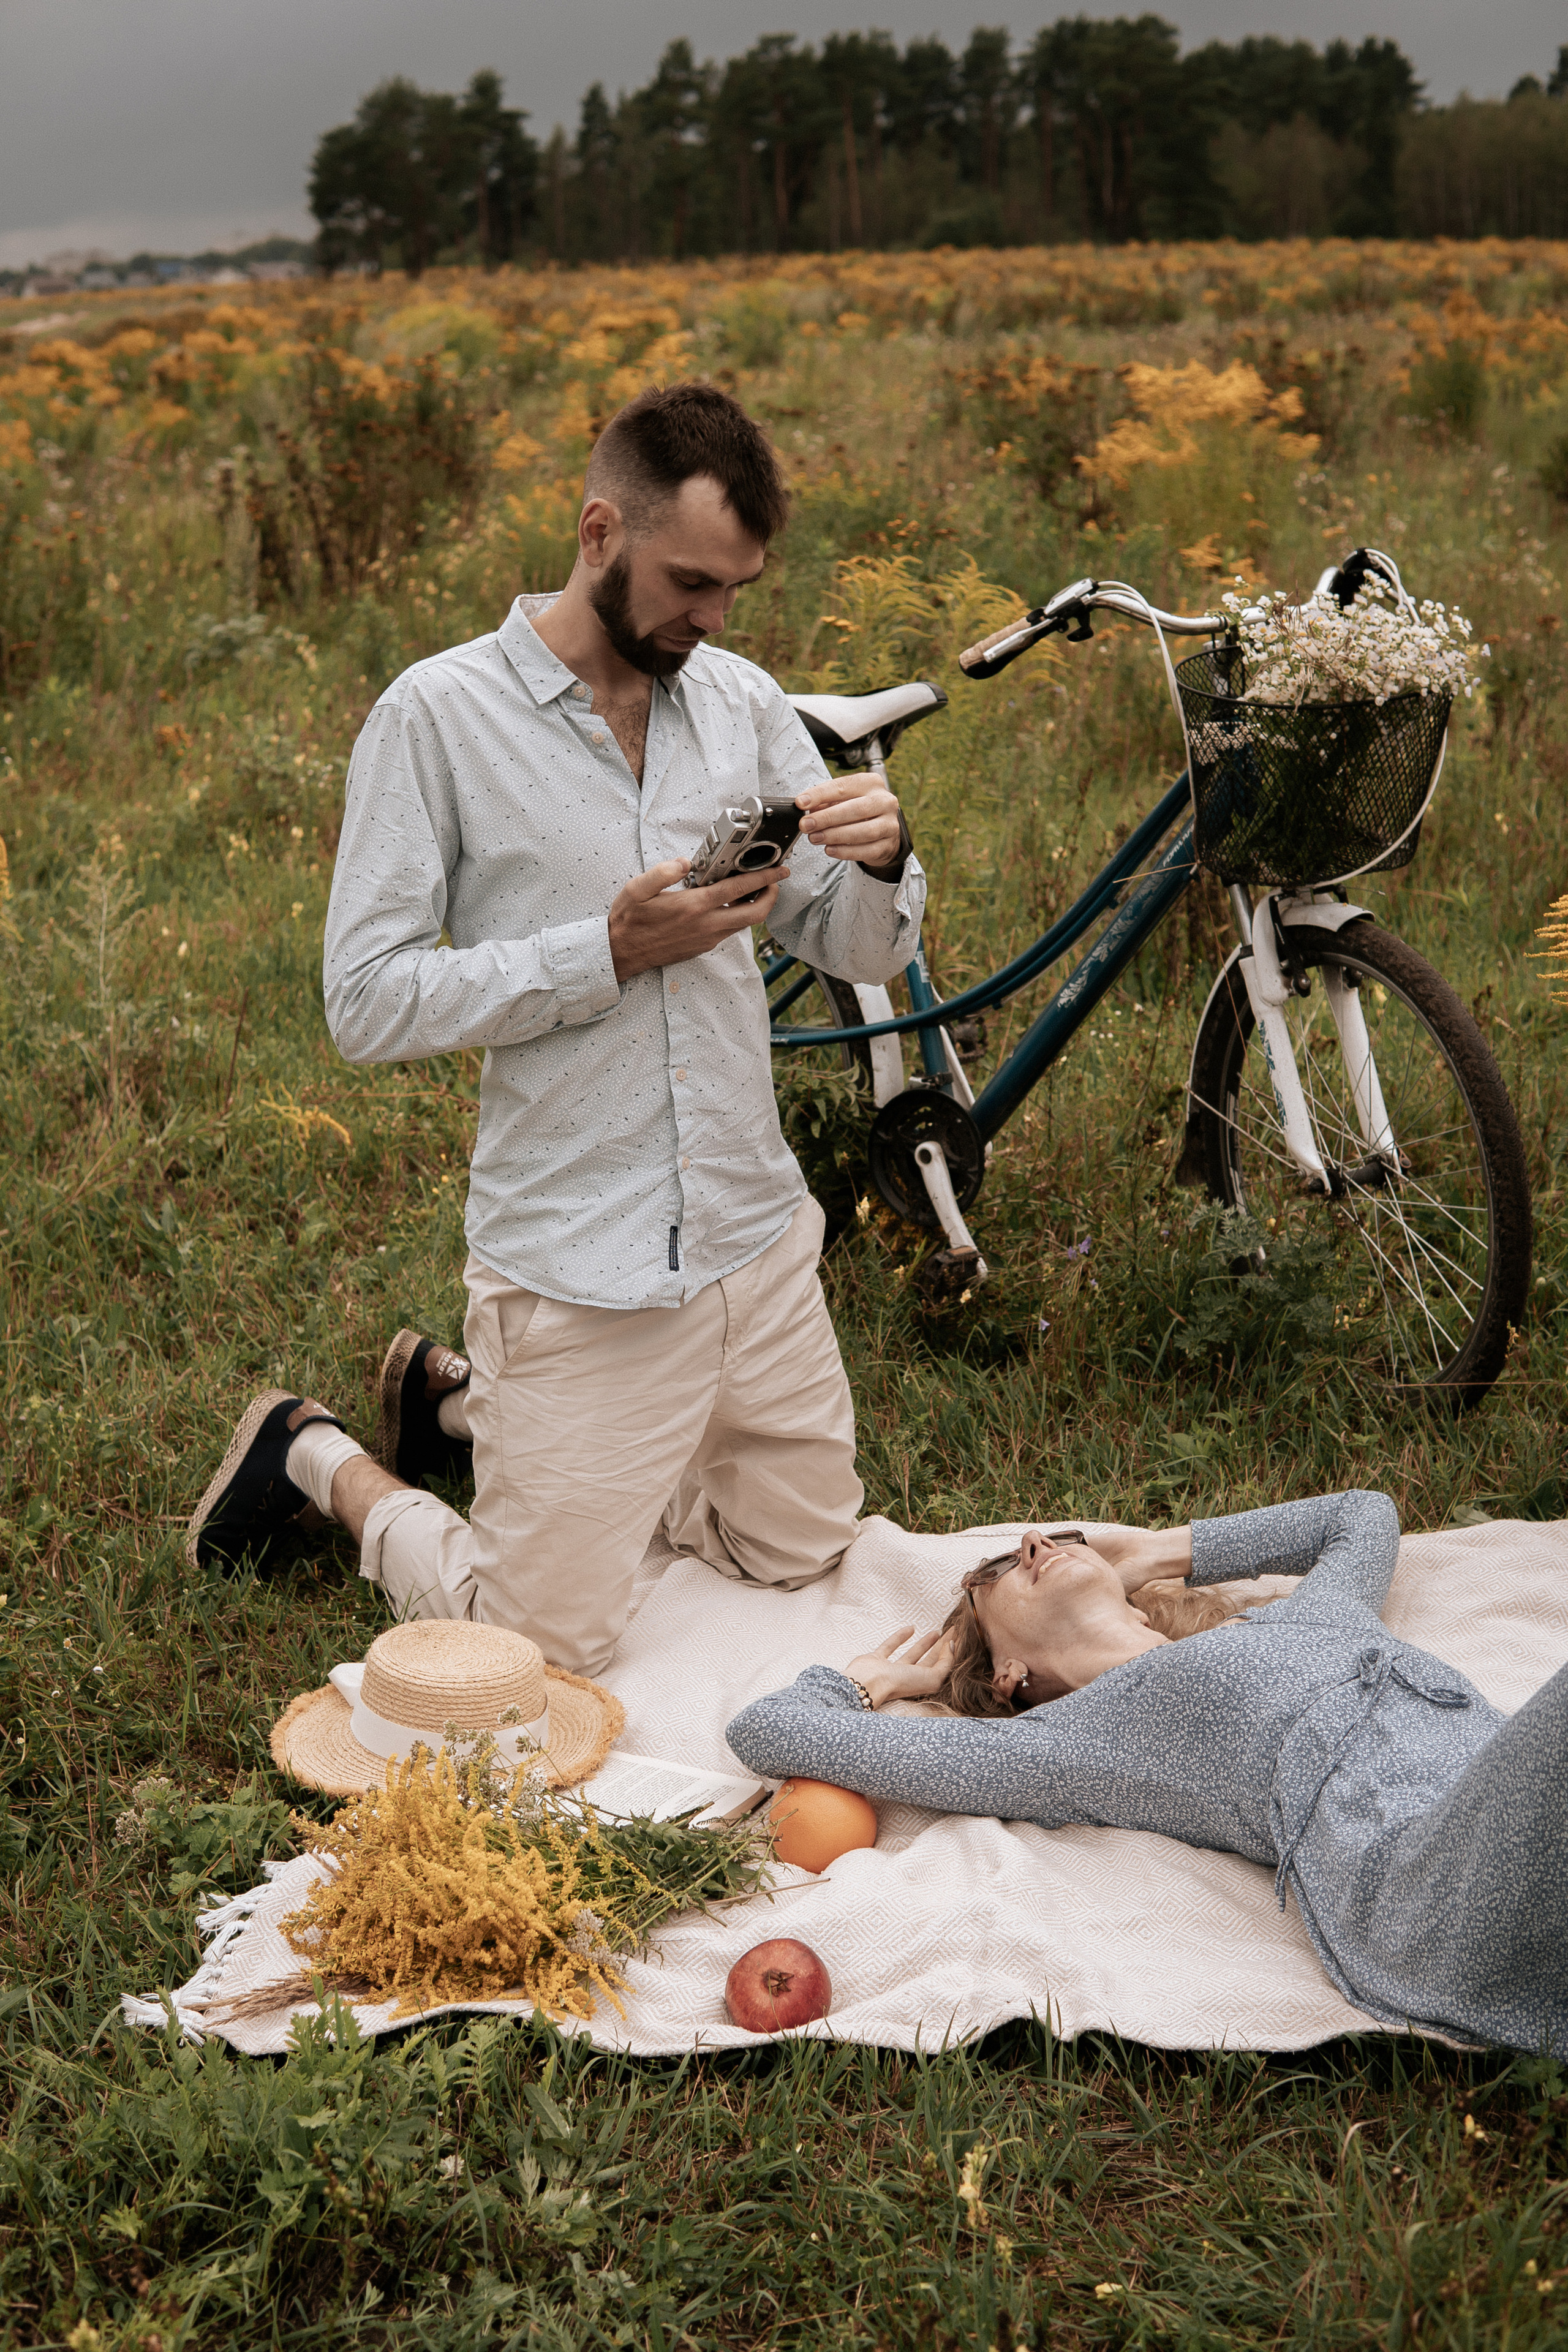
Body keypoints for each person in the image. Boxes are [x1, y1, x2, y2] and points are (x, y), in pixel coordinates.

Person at [186, 380, 925, 1678]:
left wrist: (882, 865)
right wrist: (604, 953)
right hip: (580, 1266)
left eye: (733, 590)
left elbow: (854, 950)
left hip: (753, 1240)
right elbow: (363, 1000)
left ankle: (474, 1413)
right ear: (598, 534)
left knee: (799, 1555)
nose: (710, 619)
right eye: (690, 582)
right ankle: (317, 1456)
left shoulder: (738, 698)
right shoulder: (435, 718)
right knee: (540, 1648)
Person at [725, 1493, 1568, 2057]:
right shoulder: (1068, 1743)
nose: (1033, 1540)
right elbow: (766, 1731)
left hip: (1517, 1817)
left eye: (1054, 1541)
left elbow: (1362, 1515)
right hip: (1428, 1886)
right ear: (1007, 1674)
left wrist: (1159, 1554)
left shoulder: (1310, 1615)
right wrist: (861, 1685)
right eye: (999, 1573)